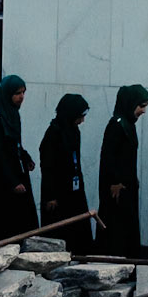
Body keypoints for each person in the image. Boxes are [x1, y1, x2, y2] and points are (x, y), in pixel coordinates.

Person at [0, 76, 38, 243]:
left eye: (23, 93)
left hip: (16, 170)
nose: (21, 97)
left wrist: (25, 156)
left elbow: (14, 143)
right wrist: (12, 181)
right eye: (17, 93)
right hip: (1, 178)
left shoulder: (12, 114)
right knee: (3, 221)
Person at [98, 84, 148, 258]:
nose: (143, 111)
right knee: (117, 229)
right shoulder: (117, 124)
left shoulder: (128, 124)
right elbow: (108, 157)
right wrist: (114, 181)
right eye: (141, 106)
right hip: (117, 190)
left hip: (127, 187)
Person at [39, 94, 92, 246]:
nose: (82, 120)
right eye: (80, 116)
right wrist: (50, 196)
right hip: (58, 194)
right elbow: (48, 167)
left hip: (74, 190)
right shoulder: (53, 133)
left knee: (78, 232)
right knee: (59, 234)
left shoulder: (73, 131)